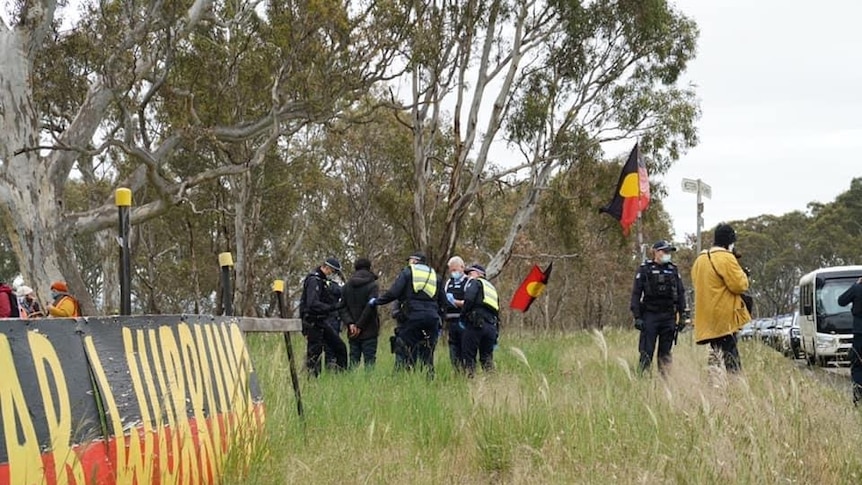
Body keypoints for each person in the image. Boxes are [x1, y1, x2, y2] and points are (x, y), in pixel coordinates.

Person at [369, 251, 446, 376]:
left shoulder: (408, 272)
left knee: (404, 350)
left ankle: (401, 381)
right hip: (432, 318)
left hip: (412, 317)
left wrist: (377, 301)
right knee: (428, 354)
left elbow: (393, 293)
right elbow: (444, 303)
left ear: (414, 261)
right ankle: (429, 381)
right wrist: (440, 323)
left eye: (409, 261)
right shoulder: (436, 276)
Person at [691, 223, 751, 374]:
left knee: (715, 354)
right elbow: (740, 286)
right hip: (724, 316)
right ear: (730, 241)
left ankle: (713, 384)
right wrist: (743, 274)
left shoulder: (700, 260)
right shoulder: (726, 258)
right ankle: (734, 385)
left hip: (706, 316)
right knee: (730, 355)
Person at [630, 240, 689, 375]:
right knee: (646, 351)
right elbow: (636, 294)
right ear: (656, 252)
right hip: (650, 315)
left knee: (665, 354)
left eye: (669, 252)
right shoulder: (645, 269)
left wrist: (682, 316)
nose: (667, 254)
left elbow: (680, 293)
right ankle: (643, 379)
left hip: (668, 316)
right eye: (665, 251)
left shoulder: (673, 270)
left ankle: (665, 384)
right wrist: (637, 316)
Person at [300, 258, 348, 377]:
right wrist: (332, 307)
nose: (334, 274)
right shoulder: (314, 280)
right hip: (312, 321)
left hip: (322, 320)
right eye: (333, 271)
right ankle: (312, 380)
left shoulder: (322, 281)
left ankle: (341, 377)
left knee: (340, 347)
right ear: (327, 268)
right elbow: (312, 303)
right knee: (314, 354)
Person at [339, 258, 380, 369]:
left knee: (353, 360)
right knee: (370, 362)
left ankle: (350, 384)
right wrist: (360, 325)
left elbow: (342, 307)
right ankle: (370, 385)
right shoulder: (373, 286)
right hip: (370, 329)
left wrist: (351, 323)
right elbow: (370, 306)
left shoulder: (346, 286)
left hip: (352, 331)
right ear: (369, 268)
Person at [460, 264, 500, 377]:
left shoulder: (476, 283)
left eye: (470, 273)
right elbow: (497, 311)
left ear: (479, 274)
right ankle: (492, 384)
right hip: (491, 326)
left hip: (476, 324)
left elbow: (468, 299)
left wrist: (463, 316)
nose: (468, 276)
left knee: (469, 355)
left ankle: (471, 382)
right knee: (487, 359)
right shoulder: (492, 288)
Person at [837, 276, 862, 405]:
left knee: (857, 365)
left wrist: (855, 285)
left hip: (859, 333)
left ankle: (858, 396)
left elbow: (841, 301)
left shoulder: (857, 288)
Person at [443, 256, 469, 372]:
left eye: (455, 270)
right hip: (450, 322)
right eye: (451, 270)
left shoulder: (468, 282)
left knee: (465, 350)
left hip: (464, 322)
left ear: (462, 267)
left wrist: (455, 302)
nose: (453, 272)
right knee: (453, 350)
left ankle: (467, 373)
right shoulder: (449, 283)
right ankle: (456, 373)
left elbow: (469, 303)